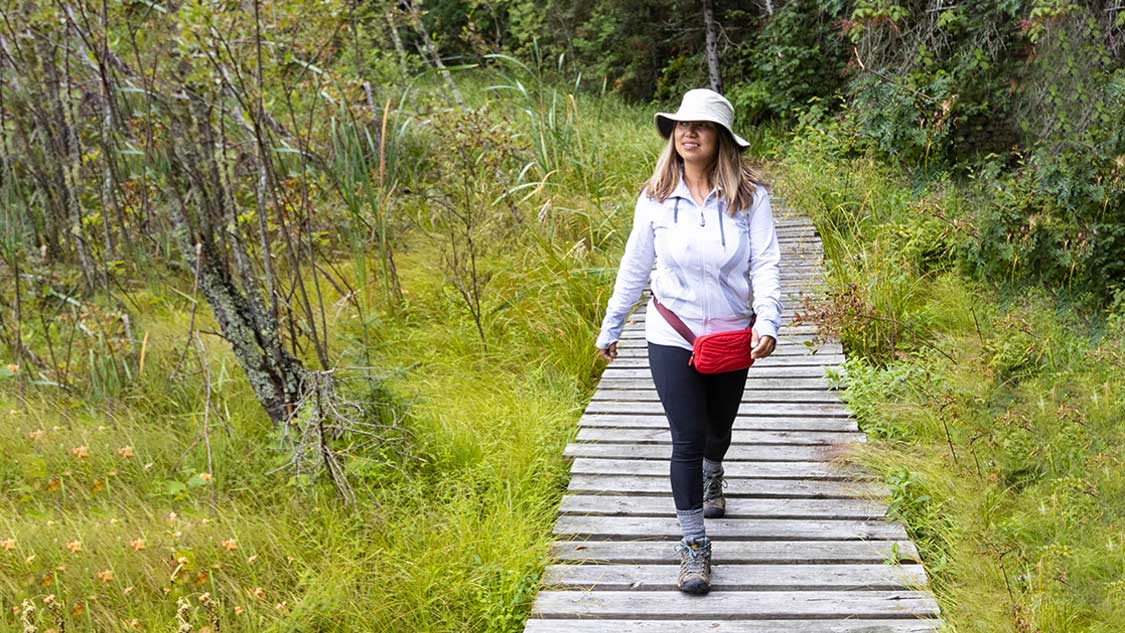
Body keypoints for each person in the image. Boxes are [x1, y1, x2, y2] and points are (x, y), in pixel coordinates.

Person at [594, 88, 782, 595]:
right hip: (670, 331)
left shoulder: (751, 197)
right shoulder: (655, 198)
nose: (688, 132)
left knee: (717, 432)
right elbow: (635, 267)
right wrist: (612, 325)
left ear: (721, 138)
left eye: (701, 126)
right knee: (687, 437)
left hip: (731, 334)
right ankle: (694, 547)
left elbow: (765, 263)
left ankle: (714, 472)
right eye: (681, 125)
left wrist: (768, 321)